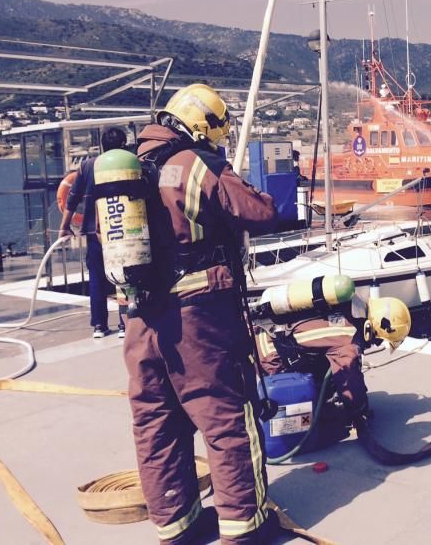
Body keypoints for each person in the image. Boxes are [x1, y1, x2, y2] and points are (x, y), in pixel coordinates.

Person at [124, 84, 280, 544]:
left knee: (156, 422)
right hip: (195, 318)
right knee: (226, 415)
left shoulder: (120, 168)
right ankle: (244, 527)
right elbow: (260, 211)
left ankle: (177, 528)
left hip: (136, 320)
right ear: (204, 125)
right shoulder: (194, 165)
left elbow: (72, 217)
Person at [254, 296, 412, 426]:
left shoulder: (350, 307)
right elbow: (350, 381)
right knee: (315, 411)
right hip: (270, 356)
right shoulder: (348, 338)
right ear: (372, 329)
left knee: (326, 376)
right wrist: (359, 409)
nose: (374, 344)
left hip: (265, 336)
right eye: (378, 340)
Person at [58, 127, 128, 339]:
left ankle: (99, 325)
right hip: (123, 230)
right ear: (123, 145)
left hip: (92, 232)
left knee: (97, 278)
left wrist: (64, 226)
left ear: (102, 145)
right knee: (125, 276)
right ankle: (125, 324)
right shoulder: (129, 164)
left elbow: (72, 197)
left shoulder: (87, 166)